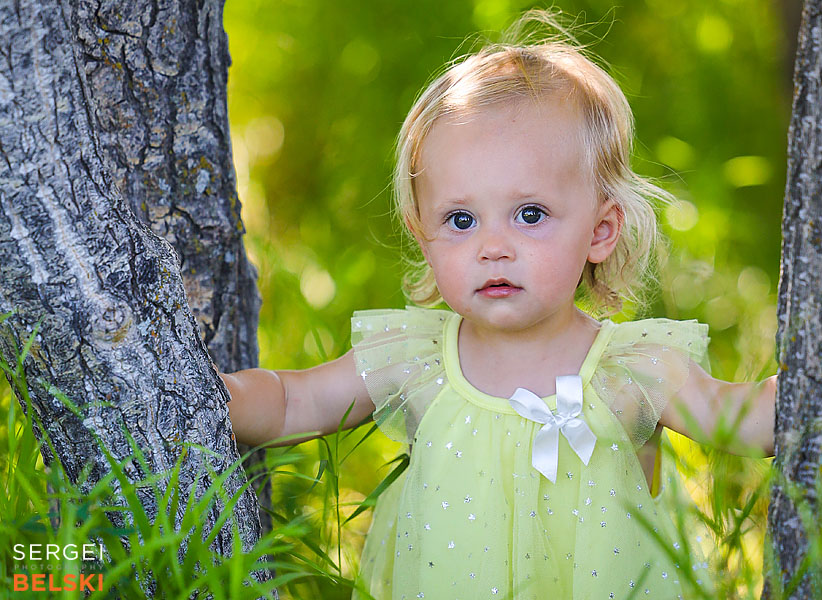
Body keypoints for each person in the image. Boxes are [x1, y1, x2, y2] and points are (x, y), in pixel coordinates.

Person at [220, 15, 776, 600]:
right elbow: (295, 403)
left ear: (600, 231)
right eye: (461, 220)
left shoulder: (631, 371)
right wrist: (201, 390)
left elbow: (741, 419)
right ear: (423, 236)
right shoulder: (418, 361)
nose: (492, 247)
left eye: (529, 215)